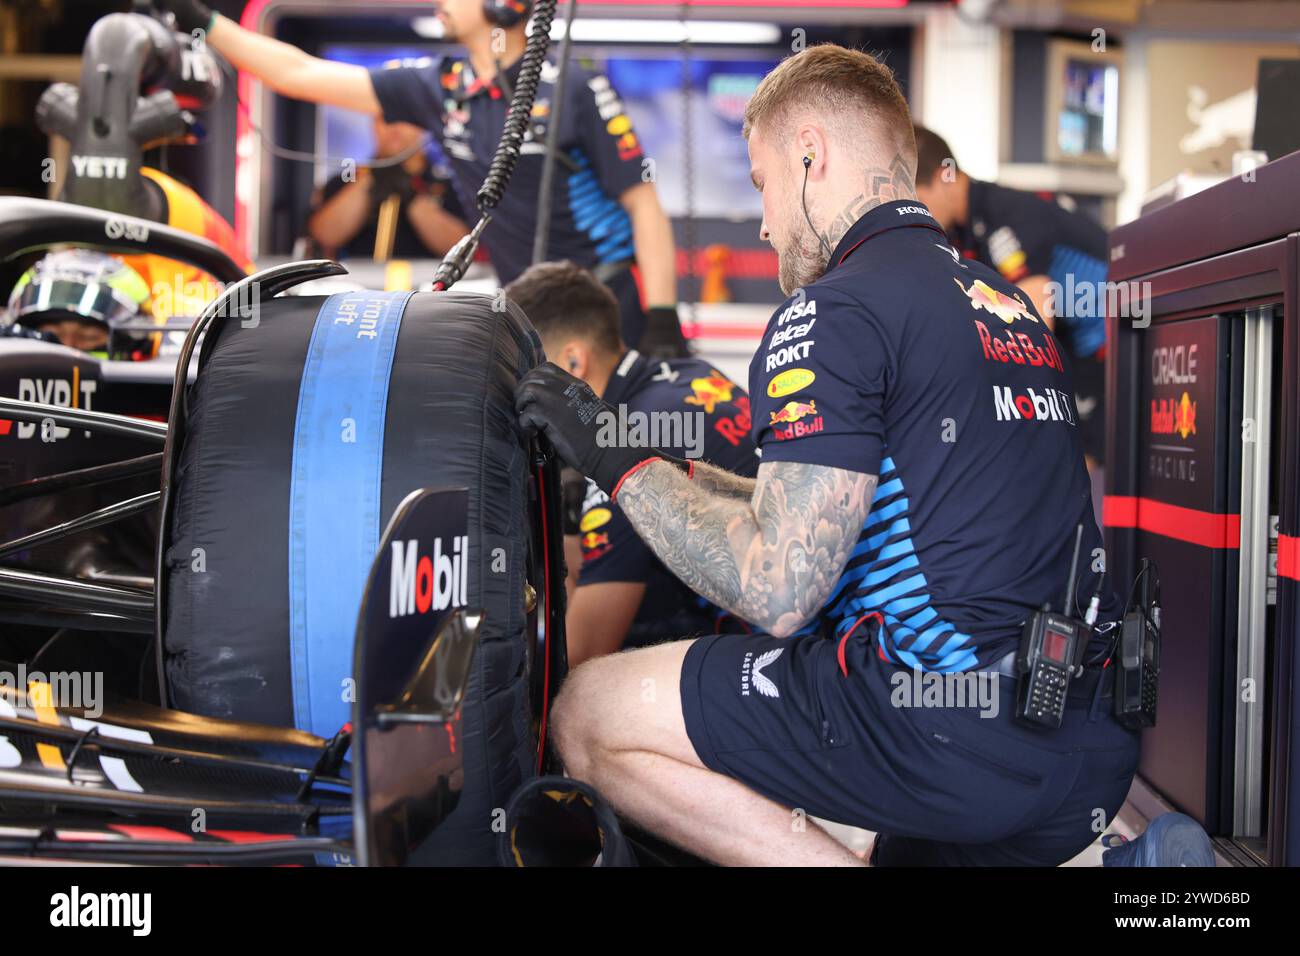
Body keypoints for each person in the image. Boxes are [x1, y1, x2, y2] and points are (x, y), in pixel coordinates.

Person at [515, 44, 1138, 866]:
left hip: (955, 738)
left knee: (589, 711)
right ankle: (1145, 874)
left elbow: (778, 589)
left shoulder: (831, 314)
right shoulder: (1004, 303)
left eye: (763, 183)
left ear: (810, 154)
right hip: (1089, 745)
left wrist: (608, 460)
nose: (766, 221)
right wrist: (657, 461)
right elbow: (858, 502)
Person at [158, 0, 688, 356]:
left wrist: (663, 320)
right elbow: (296, 73)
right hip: (529, 313)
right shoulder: (441, 85)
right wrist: (202, 20)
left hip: (608, 308)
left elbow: (644, 203)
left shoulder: (574, 85)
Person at [504, 261, 757, 666]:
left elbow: (581, 652)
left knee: (575, 702)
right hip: (804, 592)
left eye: (529, 379)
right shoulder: (683, 373)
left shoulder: (625, 438)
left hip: (781, 642)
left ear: (572, 363)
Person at [913, 125, 1109, 468]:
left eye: (916, 197)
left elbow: (1034, 319)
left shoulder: (1006, 211)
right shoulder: (962, 231)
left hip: (1112, 341)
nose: (916, 211)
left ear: (942, 177)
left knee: (1071, 468)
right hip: (1075, 343)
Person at [306, 118, 469, 260]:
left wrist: (413, 196)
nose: (394, 126)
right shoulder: (348, 178)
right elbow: (323, 236)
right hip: (358, 287)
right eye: (385, 117)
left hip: (429, 288)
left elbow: (462, 247)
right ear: (374, 126)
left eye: (404, 118)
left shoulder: (450, 182)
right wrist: (371, 179)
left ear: (422, 126)